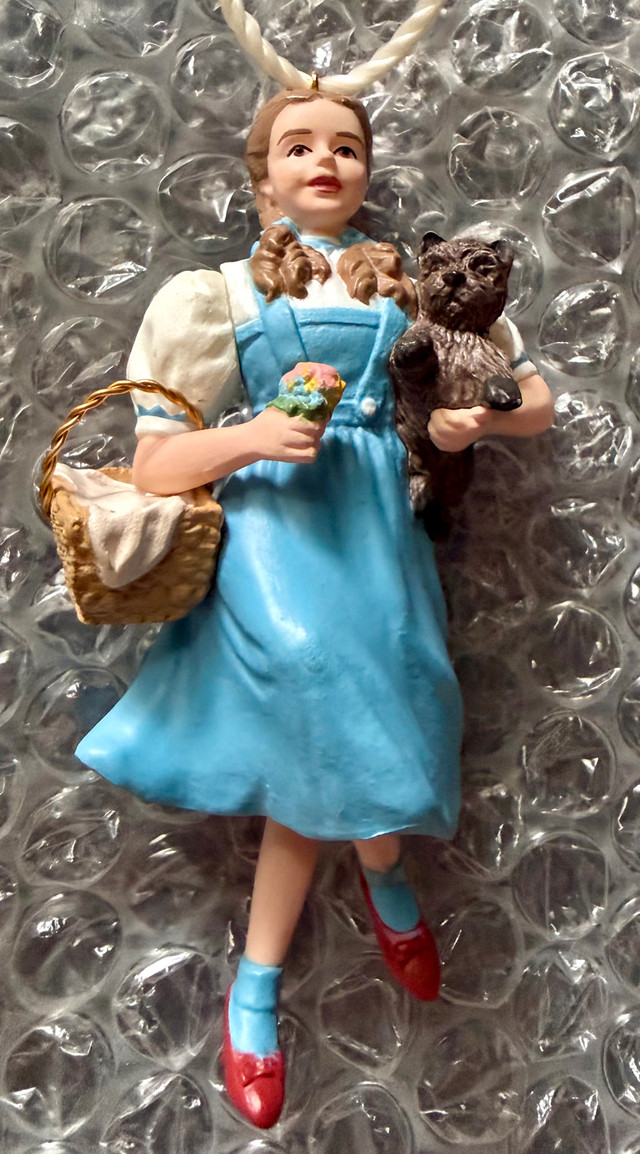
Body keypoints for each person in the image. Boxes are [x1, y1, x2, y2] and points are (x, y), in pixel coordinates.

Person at [76, 89, 554, 1128]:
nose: (324, 162)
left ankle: (378, 862)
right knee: (314, 705)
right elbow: (155, 463)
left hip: (378, 536)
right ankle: (262, 981)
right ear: (263, 176)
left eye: (345, 146)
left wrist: (471, 426)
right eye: (298, 146)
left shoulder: (417, 283)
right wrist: (250, 437)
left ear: (368, 169)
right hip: (274, 543)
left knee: (397, 697)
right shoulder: (218, 293)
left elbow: (531, 398)